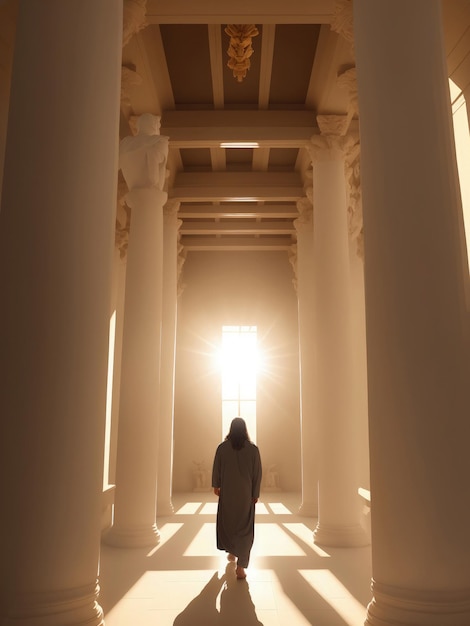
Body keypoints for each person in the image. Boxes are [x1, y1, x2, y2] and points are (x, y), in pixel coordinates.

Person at [212, 417, 262, 579]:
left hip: (227, 493)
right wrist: (255, 493)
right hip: (245, 495)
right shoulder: (253, 450)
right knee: (245, 528)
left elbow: (217, 468)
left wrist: (216, 485)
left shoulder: (222, 448)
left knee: (228, 523)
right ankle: (241, 566)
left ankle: (232, 551)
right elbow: (257, 474)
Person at [119, 113, 169, 191]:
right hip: (152, 191)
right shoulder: (159, 141)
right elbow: (156, 173)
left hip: (133, 191)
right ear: (154, 126)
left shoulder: (125, 143)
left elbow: (116, 165)